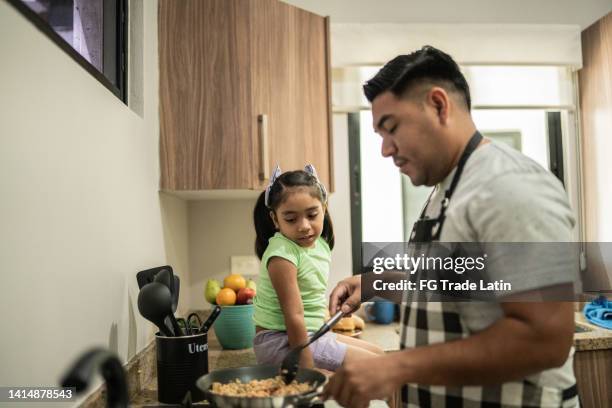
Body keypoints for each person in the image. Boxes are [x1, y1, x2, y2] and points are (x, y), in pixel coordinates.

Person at [323, 46, 578, 407]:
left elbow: (546, 339)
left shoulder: (507, 185)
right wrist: (373, 283)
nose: (384, 149)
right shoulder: (448, 188)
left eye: (391, 128)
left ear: (439, 105)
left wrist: (397, 366)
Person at [252, 164, 383, 372]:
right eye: (291, 219)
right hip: (279, 341)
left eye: (312, 215)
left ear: (323, 208)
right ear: (275, 219)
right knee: (379, 367)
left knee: (381, 356)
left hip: (309, 335)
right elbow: (294, 316)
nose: (304, 225)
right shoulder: (282, 255)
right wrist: (305, 368)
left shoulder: (320, 244)